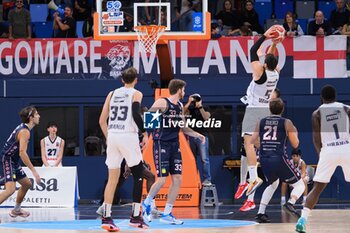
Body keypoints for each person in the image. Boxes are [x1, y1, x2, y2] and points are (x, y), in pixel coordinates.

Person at [142, 79, 205, 225]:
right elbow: (147, 120)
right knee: (162, 179)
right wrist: (146, 135)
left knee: (177, 179)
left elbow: (183, 127)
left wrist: (197, 134)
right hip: (161, 144)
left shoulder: (180, 105)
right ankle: (147, 203)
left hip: (174, 145)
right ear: (179, 90)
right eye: (183, 89)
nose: (184, 92)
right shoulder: (162, 103)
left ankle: (167, 214)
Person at [99, 67, 149, 231]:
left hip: (113, 135)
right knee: (138, 175)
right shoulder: (136, 93)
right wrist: (145, 132)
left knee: (112, 178)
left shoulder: (111, 94)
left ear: (122, 80)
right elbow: (135, 113)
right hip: (128, 135)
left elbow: (101, 120)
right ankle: (135, 217)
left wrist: (109, 137)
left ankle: (106, 218)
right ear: (136, 79)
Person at [296, 85, 350, 233]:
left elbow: (316, 139)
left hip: (329, 150)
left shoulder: (317, 113)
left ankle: (302, 220)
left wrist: (322, 155)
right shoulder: (346, 108)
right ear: (335, 96)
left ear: (322, 97)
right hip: (346, 147)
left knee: (317, 188)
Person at [236, 26, 281, 204]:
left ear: (264, 65)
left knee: (248, 144)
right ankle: (268, 167)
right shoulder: (275, 74)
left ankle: (253, 177)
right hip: (264, 110)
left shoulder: (259, 74)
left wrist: (265, 36)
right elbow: (271, 59)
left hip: (254, 110)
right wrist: (274, 44)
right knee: (256, 144)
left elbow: (253, 50)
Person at [251, 98, 305, 223]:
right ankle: (290, 203)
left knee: (273, 184)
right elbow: (295, 144)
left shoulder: (261, 121)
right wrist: (295, 132)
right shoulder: (286, 122)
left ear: (269, 109)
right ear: (282, 109)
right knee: (300, 184)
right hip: (278, 158)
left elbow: (253, 140)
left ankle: (260, 213)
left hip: (264, 158)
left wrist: (264, 147)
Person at [0, 106, 41, 217]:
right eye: (36, 114)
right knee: (10, 190)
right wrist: (34, 171)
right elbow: (22, 153)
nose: (39, 116)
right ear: (31, 117)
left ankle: (17, 210)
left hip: (13, 160)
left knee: (27, 184)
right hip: (8, 159)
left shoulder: (25, 128)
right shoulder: (24, 132)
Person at [184, 93, 213, 186]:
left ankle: (207, 179)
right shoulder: (190, 109)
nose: (195, 101)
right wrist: (189, 102)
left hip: (202, 136)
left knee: (204, 159)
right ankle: (193, 177)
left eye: (197, 99)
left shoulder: (205, 108)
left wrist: (200, 107)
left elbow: (206, 117)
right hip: (191, 136)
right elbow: (181, 113)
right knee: (192, 159)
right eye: (194, 99)